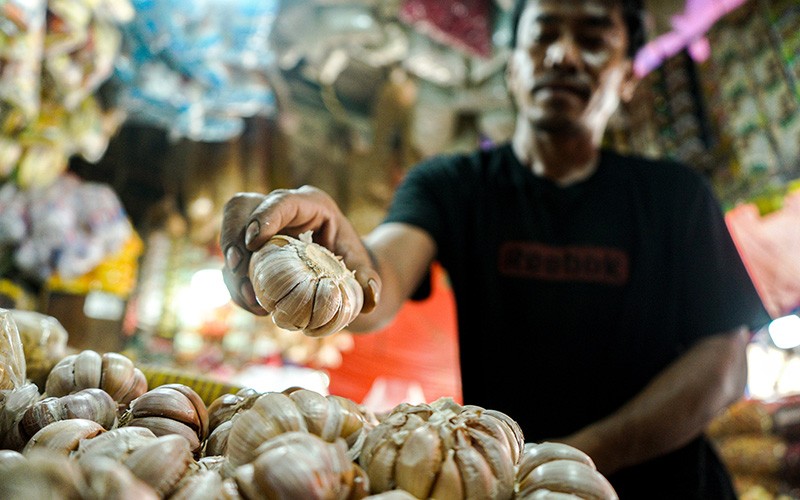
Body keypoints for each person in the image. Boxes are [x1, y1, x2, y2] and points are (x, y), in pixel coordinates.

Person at [220, 0, 770, 497]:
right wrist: (333, 255)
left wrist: (569, 460)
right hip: (509, 484)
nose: (562, 54)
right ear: (512, 66)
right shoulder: (452, 184)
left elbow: (723, 366)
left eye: (593, 37)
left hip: (662, 490)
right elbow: (378, 281)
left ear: (628, 77)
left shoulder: (676, 195)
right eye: (543, 34)